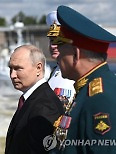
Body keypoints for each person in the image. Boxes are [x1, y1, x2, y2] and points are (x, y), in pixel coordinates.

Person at [48, 5, 116, 154]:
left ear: (75, 54)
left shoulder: (99, 98)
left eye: (61, 48)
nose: (57, 55)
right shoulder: (88, 88)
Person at [5, 44, 64, 154]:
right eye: (11, 69)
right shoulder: (32, 99)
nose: (12, 75)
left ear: (38, 68)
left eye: (18, 68)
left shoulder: (45, 106)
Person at [46, 11, 75, 108]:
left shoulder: (76, 73)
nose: (53, 46)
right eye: (51, 40)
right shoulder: (55, 70)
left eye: (58, 41)